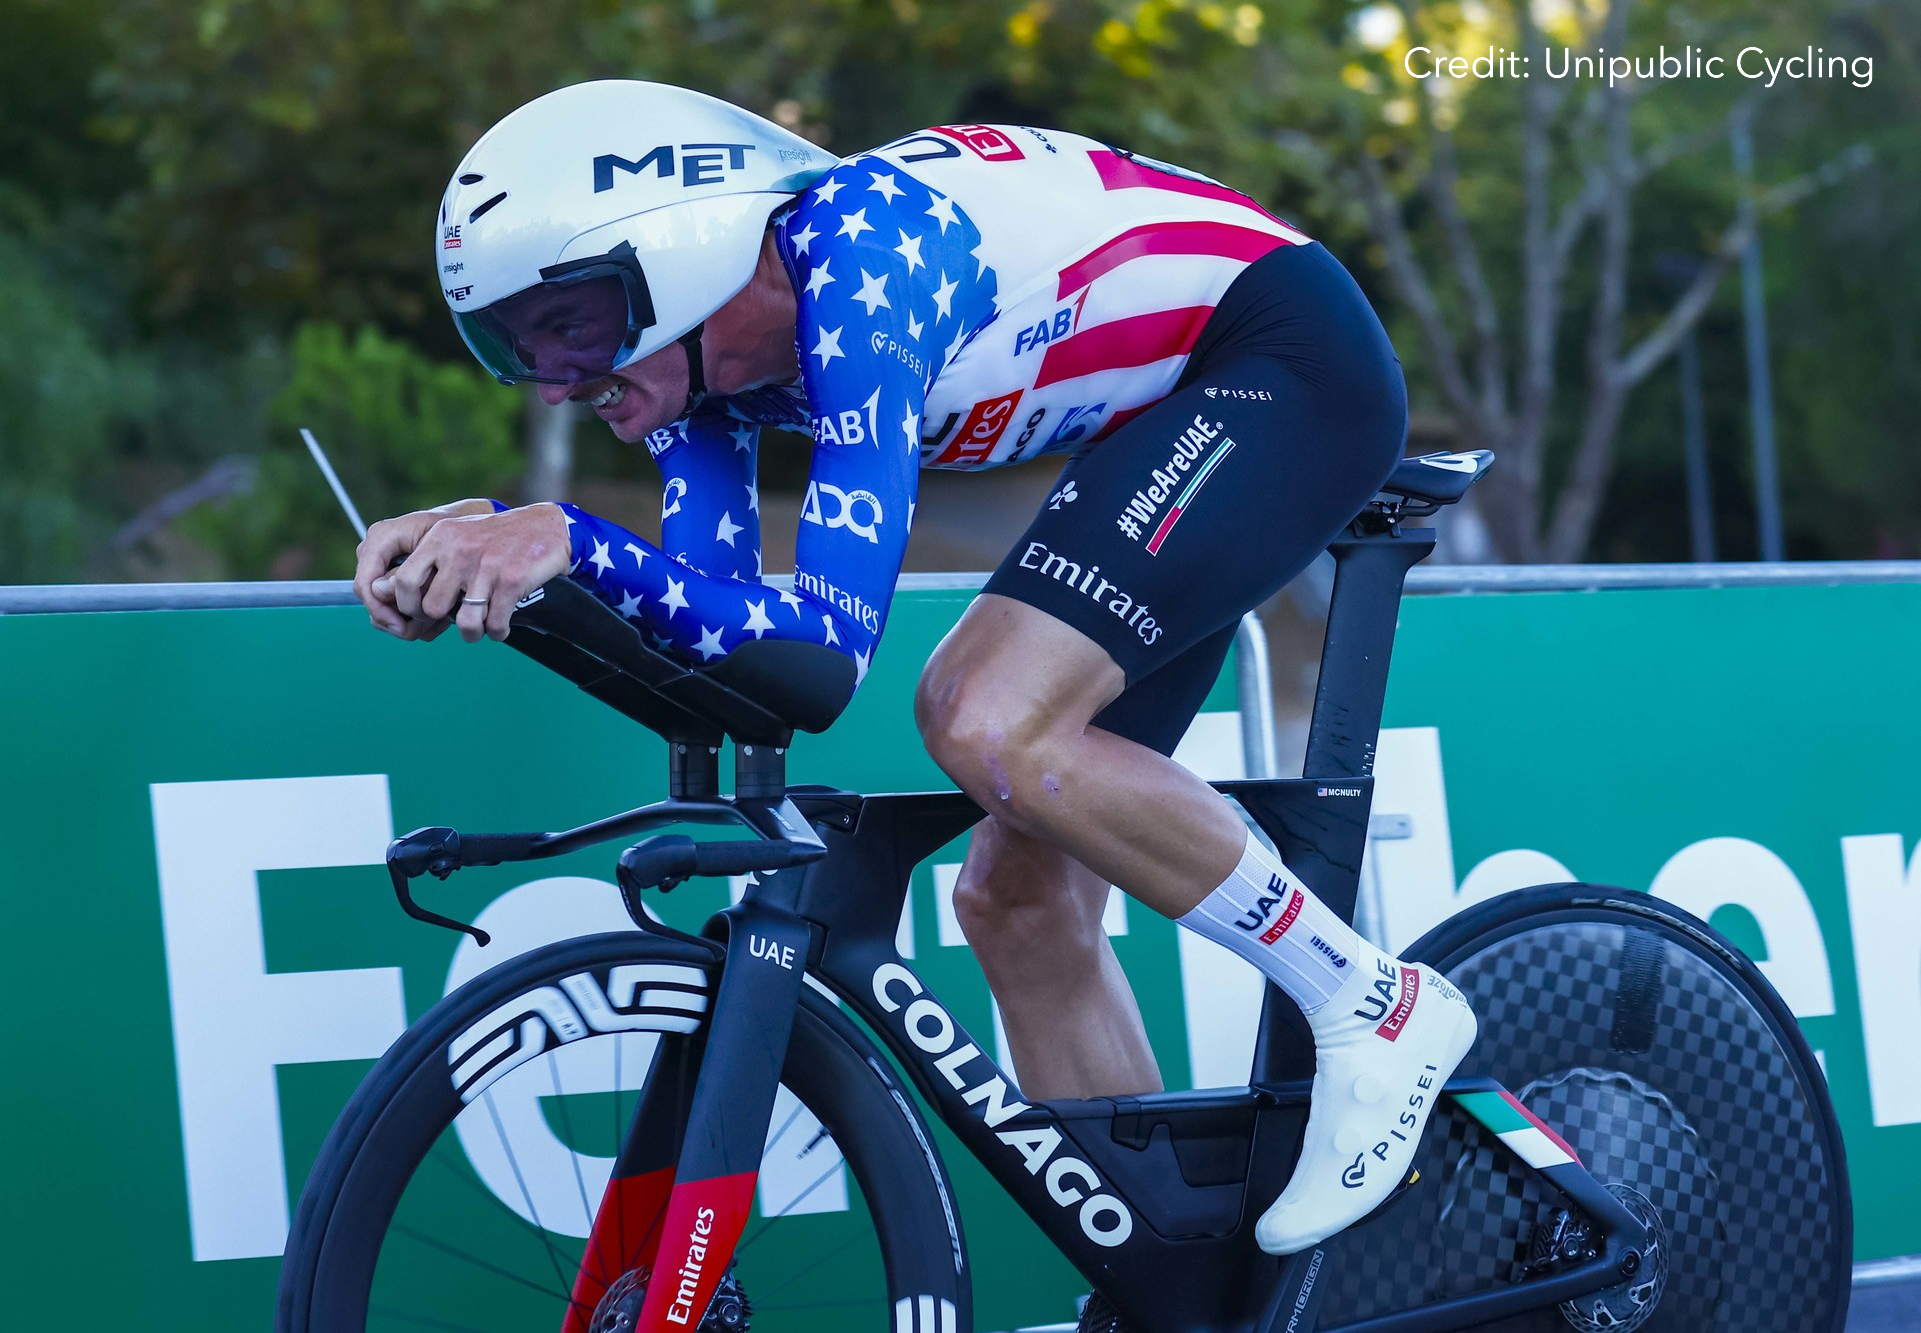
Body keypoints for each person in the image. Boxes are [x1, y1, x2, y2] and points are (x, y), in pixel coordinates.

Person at [355, 80, 1476, 1256]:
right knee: (1016, 900)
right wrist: (519, 571)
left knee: (981, 713)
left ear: (678, 258)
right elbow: (730, 653)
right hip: (1159, 421)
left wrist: (569, 539)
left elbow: (825, 653)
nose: (553, 380)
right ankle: (1172, 1275)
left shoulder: (858, 266)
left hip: (1279, 363)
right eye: (516, 346)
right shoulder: (691, 370)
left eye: (568, 326)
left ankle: (1372, 1000)